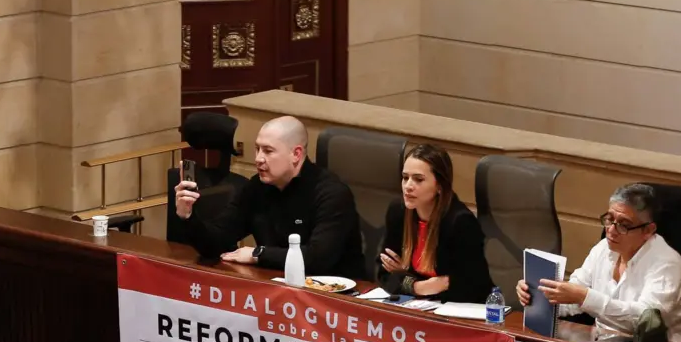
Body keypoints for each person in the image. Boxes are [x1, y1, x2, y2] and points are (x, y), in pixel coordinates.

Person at [173, 116, 365, 279]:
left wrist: (258, 254)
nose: (258, 159)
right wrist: (188, 216)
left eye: (268, 151)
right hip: (274, 289)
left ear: (296, 154)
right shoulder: (257, 187)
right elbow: (215, 243)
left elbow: (317, 260)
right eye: (257, 149)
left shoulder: (331, 193)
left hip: (337, 298)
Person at [516, 183, 681, 342]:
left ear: (648, 230)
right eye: (609, 219)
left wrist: (585, 297)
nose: (611, 230)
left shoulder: (667, 264)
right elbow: (573, 297)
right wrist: (537, 295)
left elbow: (646, 321)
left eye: (624, 225)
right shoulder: (603, 248)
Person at [379, 144, 493, 302]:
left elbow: (470, 287)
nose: (408, 186)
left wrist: (405, 277)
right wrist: (418, 286)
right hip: (416, 304)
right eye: (405, 178)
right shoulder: (398, 211)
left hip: (460, 309)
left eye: (418, 179)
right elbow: (383, 273)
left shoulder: (460, 223)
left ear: (439, 186)